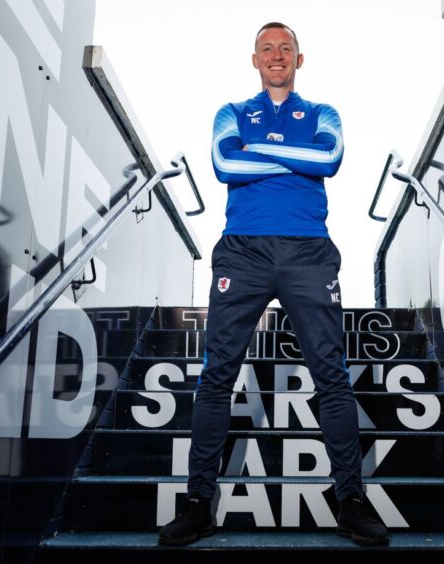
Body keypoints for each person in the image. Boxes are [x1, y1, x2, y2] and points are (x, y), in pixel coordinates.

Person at [158, 22, 389, 546]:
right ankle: (198, 503)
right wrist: (289, 158)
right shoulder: (231, 113)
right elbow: (223, 163)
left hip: (309, 250)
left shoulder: (323, 113)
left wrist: (257, 152)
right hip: (242, 250)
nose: (277, 55)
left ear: (299, 60)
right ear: (255, 60)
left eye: (286, 48)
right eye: (268, 48)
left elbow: (329, 158)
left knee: (331, 375)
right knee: (218, 374)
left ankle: (350, 501)